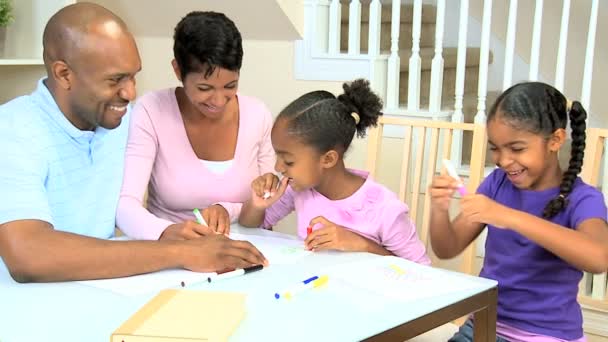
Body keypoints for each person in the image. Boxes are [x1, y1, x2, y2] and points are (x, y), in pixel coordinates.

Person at [0, 3, 266, 283]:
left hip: (97, 290)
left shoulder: (122, 122)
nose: (130, 92)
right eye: (115, 80)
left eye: (133, 76)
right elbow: (28, 255)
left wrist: (168, 233)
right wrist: (177, 251)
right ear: (64, 74)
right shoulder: (12, 130)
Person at [429, 82, 608, 341]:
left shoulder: (583, 199)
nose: (502, 160)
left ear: (555, 140)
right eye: (495, 149)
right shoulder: (496, 184)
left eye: (517, 149)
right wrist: (439, 209)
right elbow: (447, 248)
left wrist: (509, 217)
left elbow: (599, 258)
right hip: (483, 325)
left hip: (547, 335)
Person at [115, 11, 275, 241]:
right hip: (172, 251)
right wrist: (166, 233)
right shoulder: (151, 110)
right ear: (178, 71)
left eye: (230, 86)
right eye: (204, 89)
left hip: (245, 250)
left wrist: (226, 210)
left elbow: (267, 202)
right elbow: (125, 205)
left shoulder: (257, 114)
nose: (219, 101)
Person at [238, 79, 430, 263]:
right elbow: (251, 225)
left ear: (328, 159)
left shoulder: (383, 208)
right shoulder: (299, 189)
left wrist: (360, 243)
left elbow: (424, 273)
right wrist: (257, 205)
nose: (278, 168)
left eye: (288, 161)